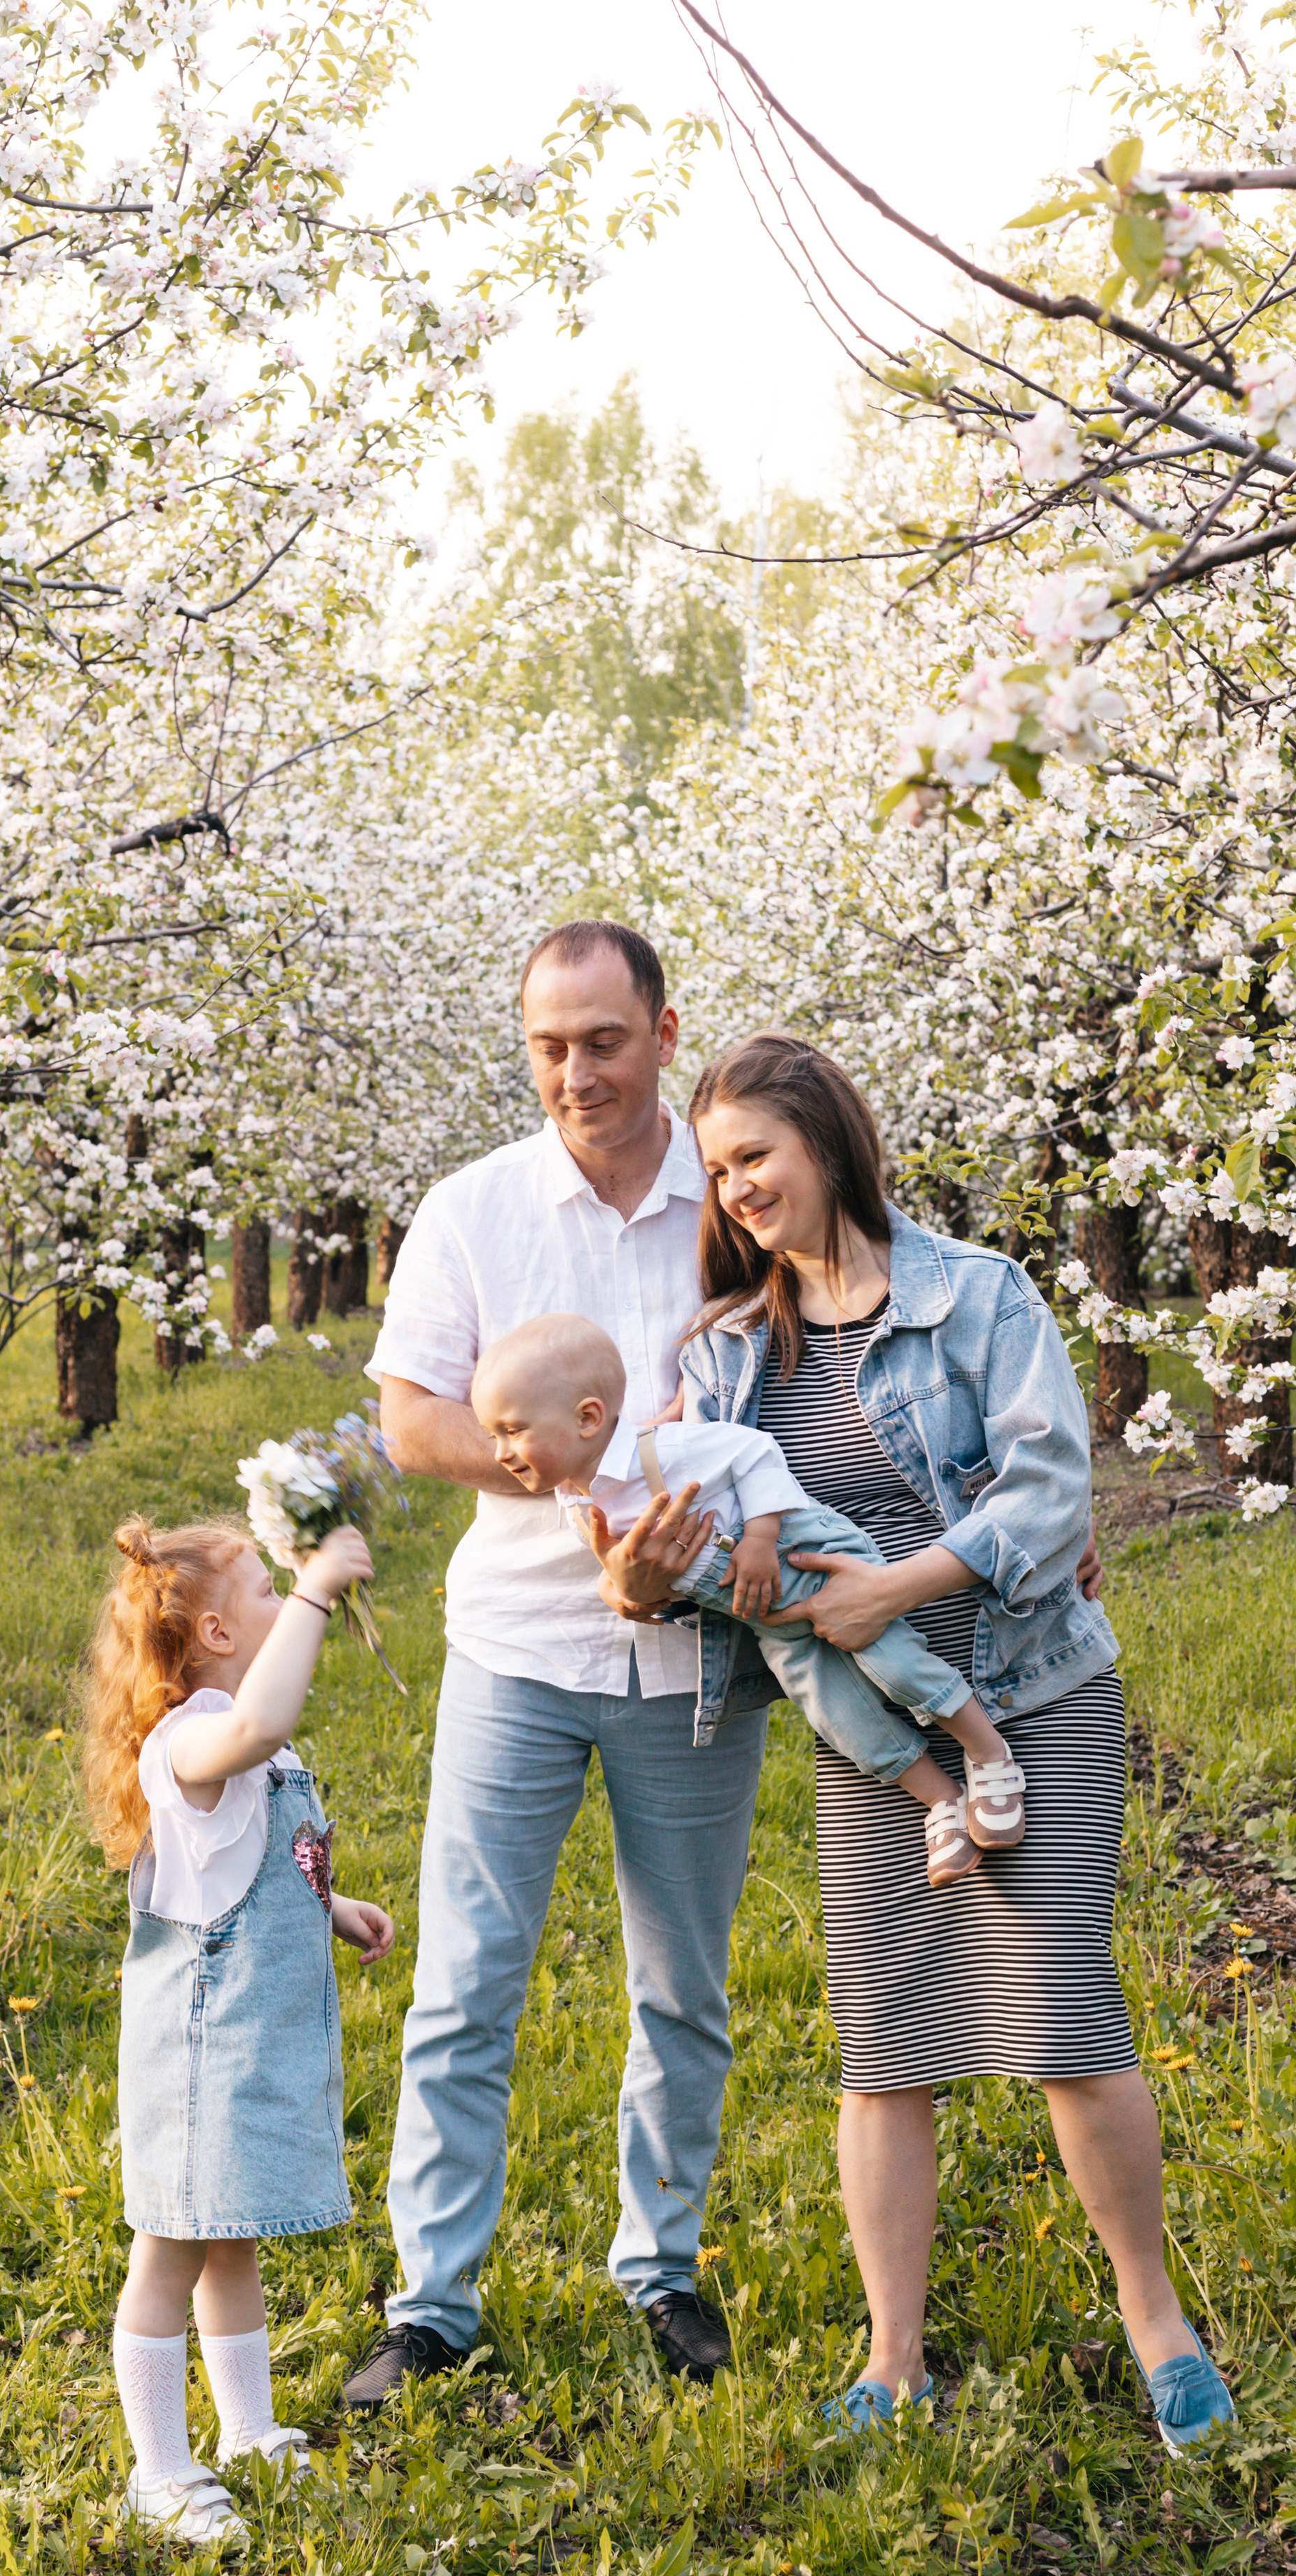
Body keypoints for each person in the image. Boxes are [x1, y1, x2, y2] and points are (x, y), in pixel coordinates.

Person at [594, 1031, 1235, 2456]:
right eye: (718, 1172)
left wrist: (901, 1583)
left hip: (1036, 1690)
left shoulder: (978, 1297)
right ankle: (891, 2358)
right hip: (870, 1729)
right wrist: (654, 1568)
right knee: (882, 2050)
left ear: (826, 1142)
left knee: (1064, 2018)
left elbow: (1051, 1486)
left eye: (755, 1156)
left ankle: (1154, 2321)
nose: (739, 1189)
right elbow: (680, 1534)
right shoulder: (721, 1352)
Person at [342, 919, 783, 2409]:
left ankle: (660, 2268)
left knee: (683, 1985)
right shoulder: (472, 1208)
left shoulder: (733, 1201)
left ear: (665, 1034)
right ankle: (433, 2304)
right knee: (464, 1985)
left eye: (603, 1041)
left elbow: (842, 1350)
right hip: (517, 1651)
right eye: (547, 1045)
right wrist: (587, 1498)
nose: (575, 1073)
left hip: (698, 1658)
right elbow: (410, 1423)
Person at [83, 1512, 396, 2540]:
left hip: (249, 2042)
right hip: (198, 2055)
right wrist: (317, 1591)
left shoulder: (252, 1743)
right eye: (264, 1593)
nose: (282, 1603)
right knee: (171, 2247)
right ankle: (159, 2472)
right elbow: (255, 1730)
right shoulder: (196, 1742)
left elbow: (246, 1863)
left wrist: (332, 1907)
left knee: (232, 2243)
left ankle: (248, 2430)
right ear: (215, 1636)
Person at [468, 1311, 1026, 1884]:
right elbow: (626, 1573)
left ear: (588, 1418)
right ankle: (942, 1803)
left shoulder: (660, 1451)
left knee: (894, 1663)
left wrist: (759, 1539)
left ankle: (987, 1753)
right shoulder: (576, 1503)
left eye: (512, 1430)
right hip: (763, 1616)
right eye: (492, 1436)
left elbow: (753, 1452)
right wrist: (617, 1586)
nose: (497, 1453)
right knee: (837, 1714)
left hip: (802, 1556)